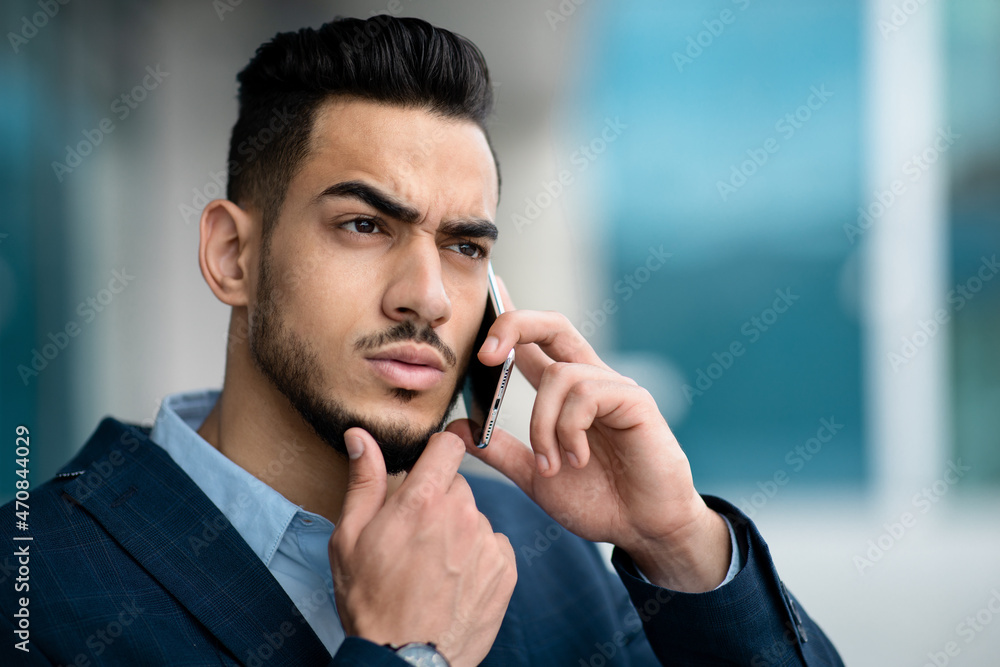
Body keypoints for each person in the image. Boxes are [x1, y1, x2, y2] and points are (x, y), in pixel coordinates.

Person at [1, 15, 844, 666]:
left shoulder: (542, 550)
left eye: (465, 246)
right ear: (233, 256)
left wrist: (680, 544)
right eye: (365, 224)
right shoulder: (35, 585)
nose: (429, 296)